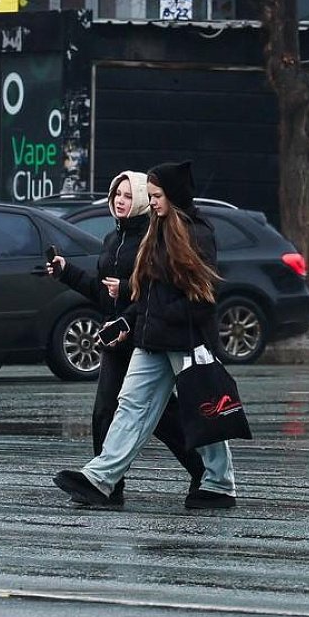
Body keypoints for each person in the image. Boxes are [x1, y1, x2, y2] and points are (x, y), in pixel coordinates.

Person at [53, 161, 237, 510]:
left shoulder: (196, 233)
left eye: (156, 196)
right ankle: (101, 479)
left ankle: (219, 483)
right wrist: (132, 320)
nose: (151, 202)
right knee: (130, 406)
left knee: (203, 409)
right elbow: (148, 291)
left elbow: (202, 296)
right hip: (151, 337)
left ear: (174, 195)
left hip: (186, 339)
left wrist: (162, 314)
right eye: (149, 196)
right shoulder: (158, 230)